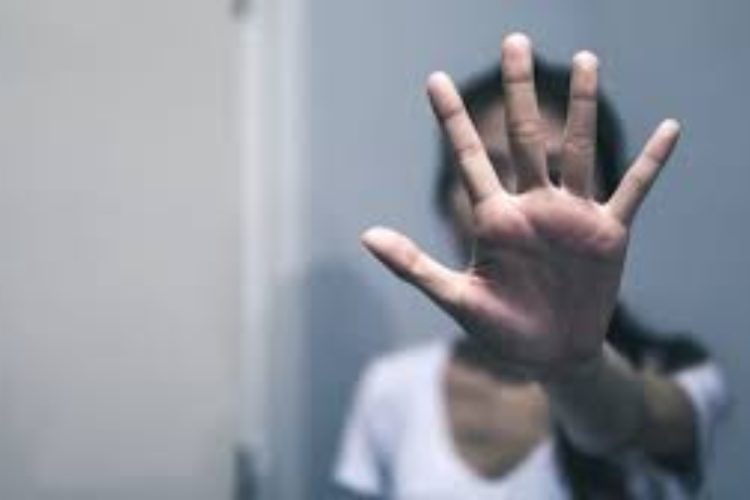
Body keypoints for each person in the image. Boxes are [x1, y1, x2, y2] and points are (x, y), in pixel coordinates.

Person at [333, 33, 728, 499]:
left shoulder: (676, 370)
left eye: (555, 175)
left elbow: (635, 420)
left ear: (615, 202)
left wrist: (573, 369)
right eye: (485, 174)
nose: (516, 206)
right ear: (443, 203)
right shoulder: (390, 389)